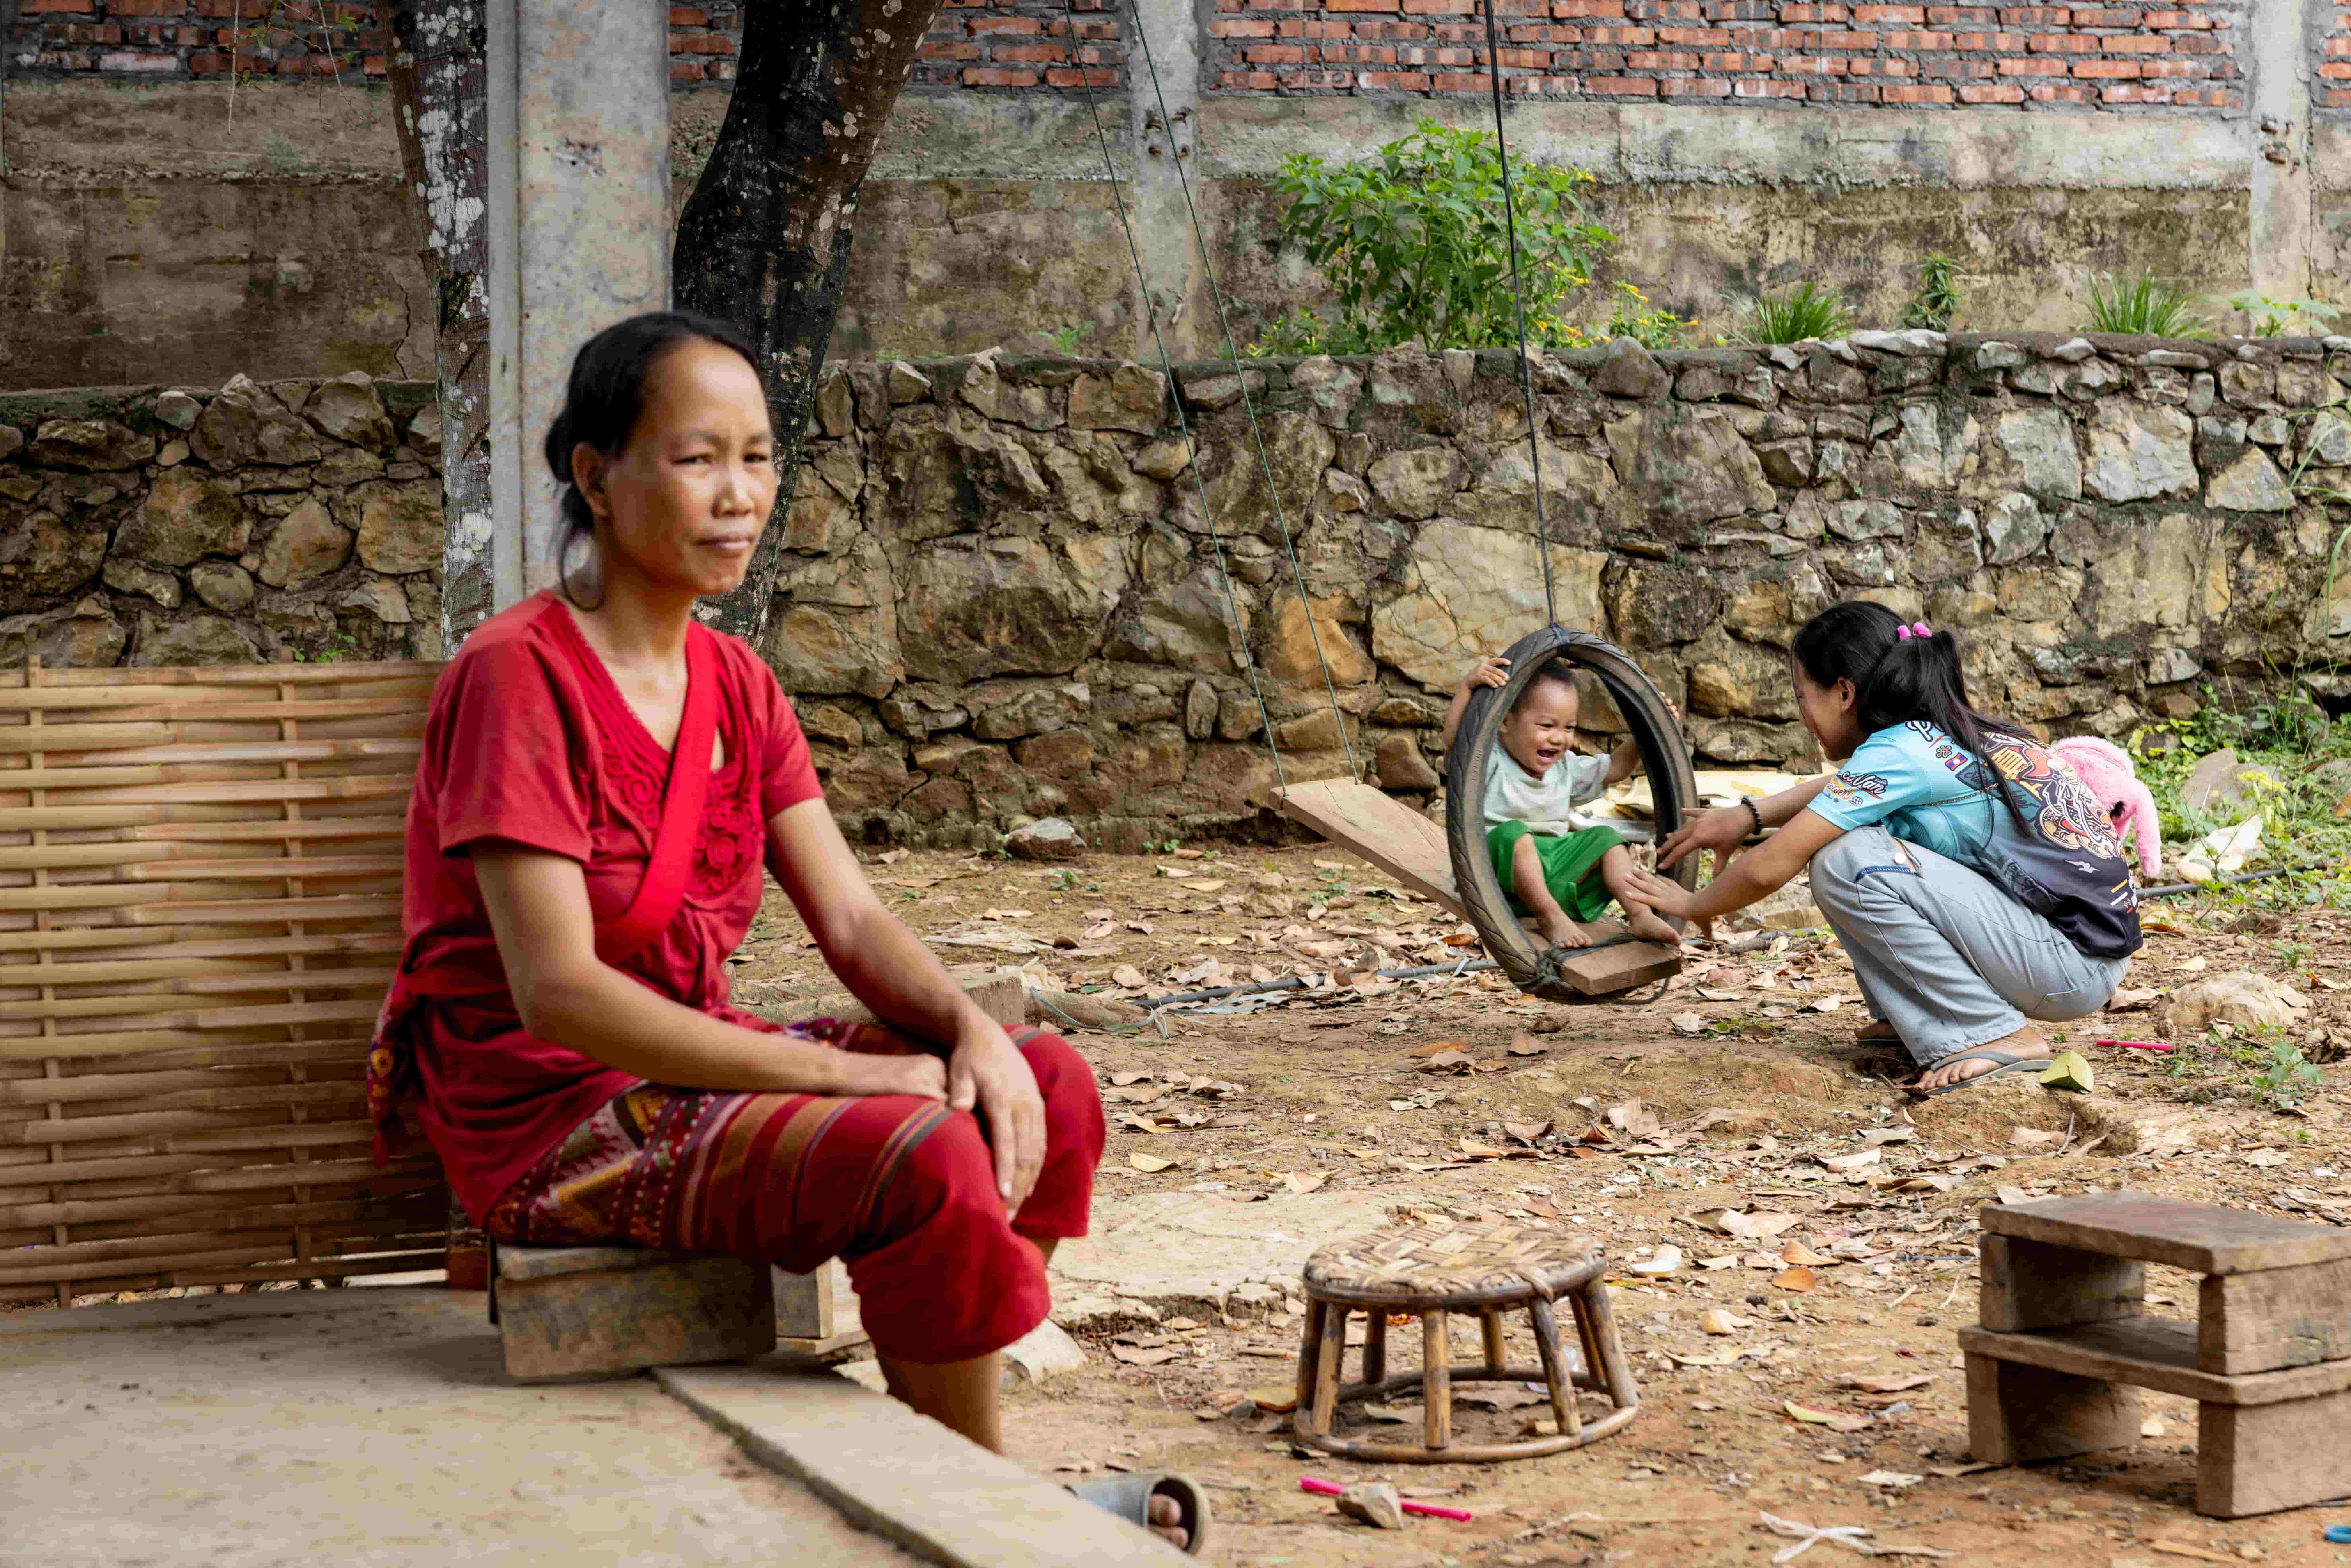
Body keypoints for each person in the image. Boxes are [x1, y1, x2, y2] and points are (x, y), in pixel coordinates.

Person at [365, 313, 1188, 1548]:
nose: (739, 496)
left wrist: (969, 1028)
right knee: (915, 1143)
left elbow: (848, 914)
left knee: (1046, 1083)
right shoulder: (516, 677)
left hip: (692, 1064)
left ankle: (955, 1476)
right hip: (553, 1117)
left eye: (757, 458)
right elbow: (561, 995)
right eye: (699, 459)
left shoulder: (739, 684)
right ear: (596, 474)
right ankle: (984, 1517)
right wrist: (856, 1070)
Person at [1621, 602, 2142, 1097]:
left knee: (1848, 858)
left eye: (1803, 696)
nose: (1802, 712)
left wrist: (1692, 903)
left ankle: (1989, 1030)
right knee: (1856, 844)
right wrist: (1749, 815)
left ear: (1843, 692)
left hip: (2069, 967)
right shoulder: (1940, 732)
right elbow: (1848, 786)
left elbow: (1770, 867)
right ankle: (1917, 1015)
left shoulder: (1900, 752)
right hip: (2077, 957)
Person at [1443, 655, 1680, 949]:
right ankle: (1549, 916)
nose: (1558, 738)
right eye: (1546, 725)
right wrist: (1467, 687)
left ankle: (1639, 914)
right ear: (1504, 723)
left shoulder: (1564, 767)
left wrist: (1646, 728)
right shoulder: (1488, 758)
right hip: (1493, 878)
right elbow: (1455, 739)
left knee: (1607, 839)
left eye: (1568, 728)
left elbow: (1616, 769)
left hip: (1551, 873)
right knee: (1517, 835)